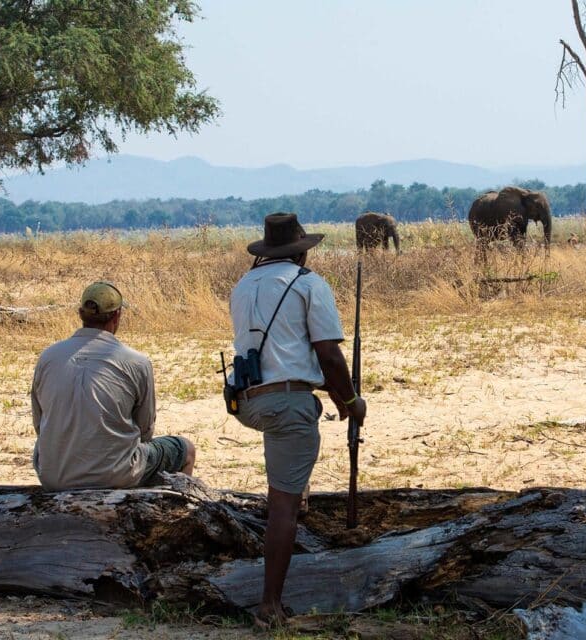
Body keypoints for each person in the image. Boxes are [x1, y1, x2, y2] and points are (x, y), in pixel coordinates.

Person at [228, 212, 366, 626]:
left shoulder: (243, 285)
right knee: (281, 506)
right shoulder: (308, 284)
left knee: (290, 467)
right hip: (286, 405)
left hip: (248, 401)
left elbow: (281, 356)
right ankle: (269, 605)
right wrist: (352, 400)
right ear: (301, 252)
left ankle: (298, 502)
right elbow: (327, 354)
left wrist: (333, 395)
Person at [31, 281, 196, 491]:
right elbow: (145, 430)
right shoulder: (137, 362)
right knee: (185, 449)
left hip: (53, 475)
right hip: (115, 475)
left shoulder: (48, 356)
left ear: (81, 313)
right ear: (117, 316)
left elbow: (40, 424)